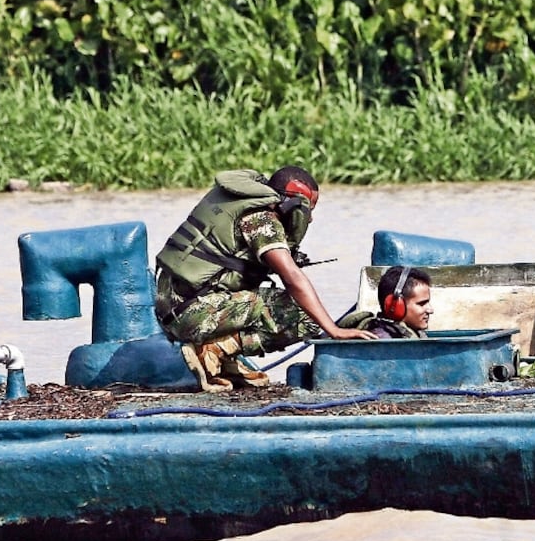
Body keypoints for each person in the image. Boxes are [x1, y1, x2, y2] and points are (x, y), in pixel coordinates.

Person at [154, 166, 376, 392]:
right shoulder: (261, 221)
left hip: (171, 307)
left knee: (261, 301)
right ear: (293, 204)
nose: (310, 219)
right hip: (192, 313)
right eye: (309, 210)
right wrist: (333, 329)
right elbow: (292, 278)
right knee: (303, 317)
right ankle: (216, 349)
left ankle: (221, 361)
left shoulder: (240, 202)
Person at [356, 266, 434, 339]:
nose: (430, 310)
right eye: (421, 304)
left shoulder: (409, 334)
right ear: (396, 306)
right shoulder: (384, 343)